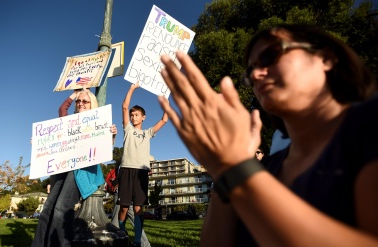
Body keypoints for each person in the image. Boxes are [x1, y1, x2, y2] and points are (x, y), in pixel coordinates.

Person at [158, 24, 378, 246]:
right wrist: (223, 172)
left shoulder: (369, 121)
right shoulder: (266, 168)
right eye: (250, 74)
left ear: (326, 58)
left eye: (271, 55)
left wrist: (236, 168)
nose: (255, 74)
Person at [32, 88, 117, 247]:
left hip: (80, 172)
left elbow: (104, 147)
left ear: (92, 104)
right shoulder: (67, 122)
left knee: (61, 210)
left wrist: (111, 135)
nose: (81, 103)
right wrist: (39, 144)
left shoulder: (99, 121)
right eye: (79, 101)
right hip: (62, 169)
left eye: (85, 101)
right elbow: (62, 108)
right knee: (46, 210)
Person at [118, 82, 168, 247]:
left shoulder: (148, 133)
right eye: (132, 115)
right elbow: (125, 107)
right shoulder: (128, 130)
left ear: (143, 117)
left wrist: (165, 101)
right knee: (124, 207)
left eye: (136, 115)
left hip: (141, 173)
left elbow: (164, 120)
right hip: (126, 170)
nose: (133, 117)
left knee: (138, 208)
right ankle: (121, 232)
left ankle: (137, 241)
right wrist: (132, 88)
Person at [107, 165, 151, 247]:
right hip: (122, 190)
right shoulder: (124, 163)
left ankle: (141, 243)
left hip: (128, 189)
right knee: (122, 215)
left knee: (118, 221)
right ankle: (143, 244)